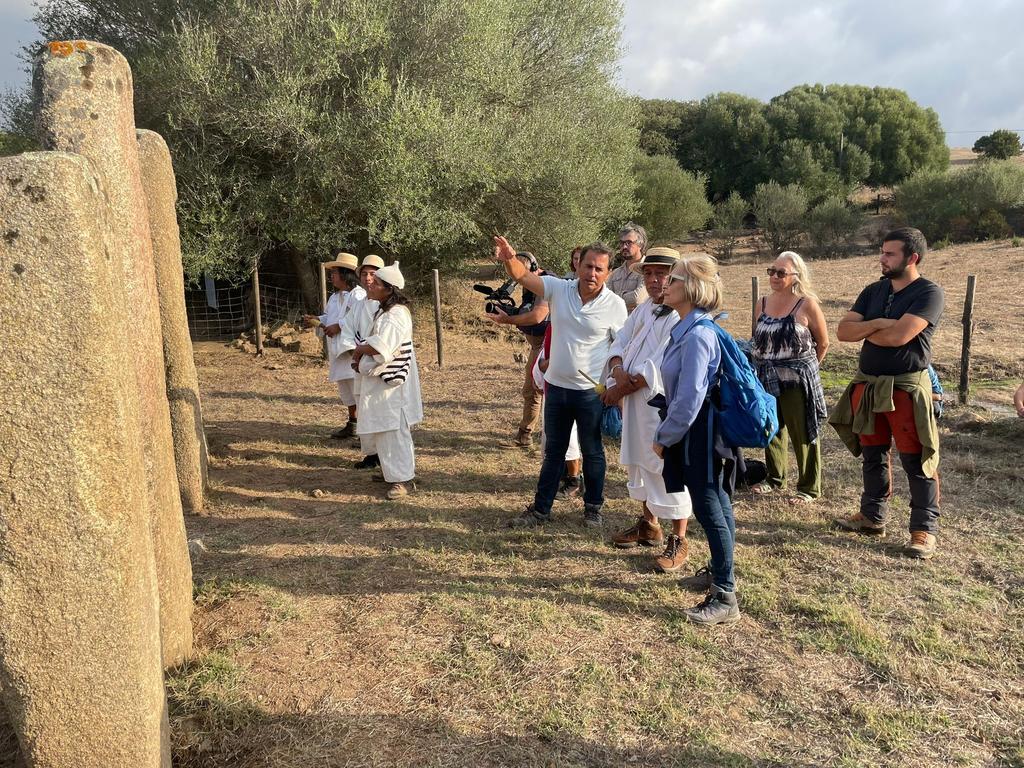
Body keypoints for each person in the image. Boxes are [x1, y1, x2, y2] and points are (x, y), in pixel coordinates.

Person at [495, 237, 627, 528]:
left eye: (600, 269)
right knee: (553, 451)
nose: (592, 273)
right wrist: (509, 257)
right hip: (556, 388)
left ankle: (593, 508)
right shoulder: (559, 289)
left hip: (590, 393)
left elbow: (621, 349)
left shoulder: (615, 306)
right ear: (579, 266)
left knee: (592, 451)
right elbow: (521, 275)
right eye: (589, 266)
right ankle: (541, 510)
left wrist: (616, 388)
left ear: (608, 273)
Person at [830, 227, 944, 559]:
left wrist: (870, 328)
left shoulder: (929, 293)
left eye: (889, 253)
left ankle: (924, 530)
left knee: (916, 459)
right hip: (868, 385)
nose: (882, 258)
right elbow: (842, 331)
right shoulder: (873, 291)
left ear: (913, 258)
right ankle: (872, 517)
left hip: (906, 389)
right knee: (873, 454)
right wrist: (882, 323)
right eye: (882, 251)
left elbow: (900, 338)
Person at [655, 253, 740, 625]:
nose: (665, 284)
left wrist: (664, 436)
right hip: (699, 429)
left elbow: (689, 398)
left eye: (672, 279)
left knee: (709, 508)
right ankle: (720, 571)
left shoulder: (698, 335)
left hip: (697, 431)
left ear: (690, 288)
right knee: (718, 502)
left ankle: (725, 594)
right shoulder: (693, 327)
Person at [605, 247, 693, 573]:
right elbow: (620, 341)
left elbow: (656, 367)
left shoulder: (679, 316)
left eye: (662, 274)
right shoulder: (644, 310)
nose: (655, 280)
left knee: (665, 467)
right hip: (633, 404)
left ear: (677, 276)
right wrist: (616, 371)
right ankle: (648, 523)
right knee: (640, 463)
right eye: (649, 273)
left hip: (658, 406)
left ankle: (678, 538)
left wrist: (619, 389)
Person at [749, 251, 829, 503]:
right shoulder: (761, 303)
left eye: (780, 272)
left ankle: (808, 487)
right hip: (766, 378)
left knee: (802, 432)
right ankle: (775, 478)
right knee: (771, 428)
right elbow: (756, 340)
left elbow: (823, 343)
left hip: (796, 380)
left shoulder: (806, 304)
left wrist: (806, 370)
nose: (774, 276)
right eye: (771, 271)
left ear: (795, 276)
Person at [351, 261, 423, 500]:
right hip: (382, 381)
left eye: (377, 283)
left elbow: (383, 345)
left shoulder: (395, 315)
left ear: (389, 289)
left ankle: (402, 480)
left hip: (391, 384)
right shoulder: (385, 310)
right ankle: (391, 472)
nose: (370, 285)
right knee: (384, 429)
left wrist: (360, 350)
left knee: (394, 430)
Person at [486, 251, 550, 449]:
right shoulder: (530, 285)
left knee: (533, 390)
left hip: (547, 344)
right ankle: (527, 435)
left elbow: (537, 316)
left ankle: (526, 435)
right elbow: (527, 311)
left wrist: (509, 319)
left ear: (531, 268)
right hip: (537, 344)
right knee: (532, 390)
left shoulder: (546, 283)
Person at [304, 252, 364, 438]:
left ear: (346, 274)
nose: (332, 276)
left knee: (358, 389)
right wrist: (317, 320)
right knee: (346, 389)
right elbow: (330, 317)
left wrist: (339, 326)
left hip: (352, 350)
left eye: (335, 272)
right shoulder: (334, 298)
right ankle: (353, 424)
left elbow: (359, 318)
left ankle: (365, 429)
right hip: (338, 350)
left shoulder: (359, 295)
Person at [334, 254, 384, 469]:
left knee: (378, 409)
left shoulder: (387, 305)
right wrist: (354, 351)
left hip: (379, 365)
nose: (367, 278)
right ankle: (370, 453)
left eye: (372, 274)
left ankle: (383, 454)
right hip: (360, 363)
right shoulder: (360, 304)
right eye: (364, 274)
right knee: (363, 405)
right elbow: (347, 327)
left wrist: (368, 351)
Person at [607, 222, 649, 312]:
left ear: (640, 245)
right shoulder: (615, 273)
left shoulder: (647, 270)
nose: (624, 246)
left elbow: (637, 298)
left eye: (629, 243)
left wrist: (614, 298)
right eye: (622, 243)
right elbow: (605, 298)